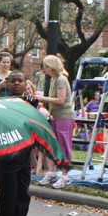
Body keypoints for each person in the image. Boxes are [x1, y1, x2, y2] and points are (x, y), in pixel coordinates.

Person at [0, 70, 43, 216]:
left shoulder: (31, 102)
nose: (16, 84)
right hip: (7, 153)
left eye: (20, 81)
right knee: (8, 193)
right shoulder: (1, 103)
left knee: (23, 193)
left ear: (25, 82)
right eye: (12, 81)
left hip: (24, 153)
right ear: (8, 83)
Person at [36, 55, 76, 189]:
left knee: (64, 146)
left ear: (51, 66)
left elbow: (61, 100)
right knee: (53, 145)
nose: (44, 68)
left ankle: (65, 175)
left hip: (64, 117)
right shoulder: (55, 79)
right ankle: (52, 173)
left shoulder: (61, 79)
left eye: (45, 65)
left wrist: (43, 99)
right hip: (56, 116)